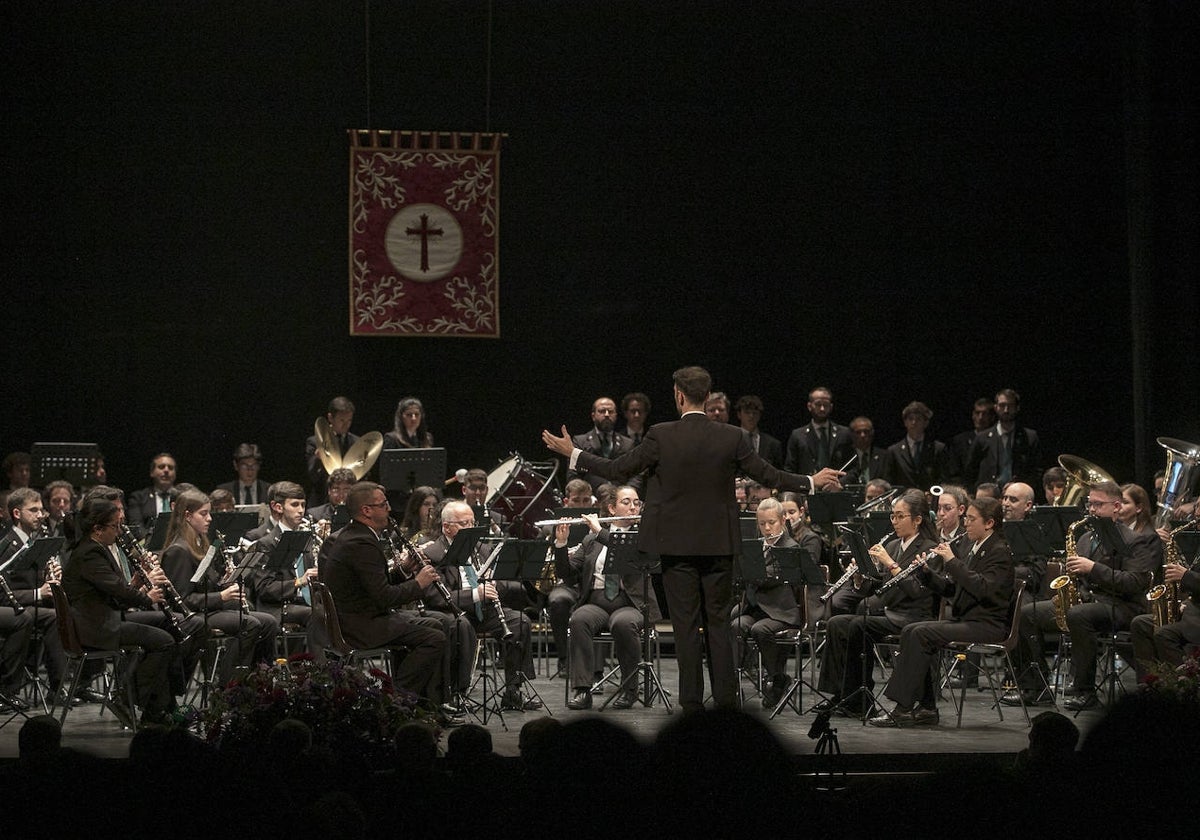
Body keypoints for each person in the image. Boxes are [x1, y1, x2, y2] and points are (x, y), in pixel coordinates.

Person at [543, 365, 842, 711]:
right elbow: (769, 474)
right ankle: (727, 704)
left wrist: (573, 453)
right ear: (708, 396)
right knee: (718, 623)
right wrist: (810, 482)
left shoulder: (660, 434)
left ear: (679, 395)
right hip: (719, 547)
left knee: (686, 628)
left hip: (677, 549)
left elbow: (616, 470)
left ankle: (691, 706)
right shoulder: (732, 436)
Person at [1003, 480, 1160, 710]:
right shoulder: (1086, 538)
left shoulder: (1140, 539)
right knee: (1027, 613)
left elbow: (1135, 582)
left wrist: (1092, 568)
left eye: (1098, 505)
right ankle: (1036, 687)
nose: (1092, 510)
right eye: (1090, 504)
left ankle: (1084, 691)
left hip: (1123, 606)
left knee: (1079, 615)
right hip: (1088, 601)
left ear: (1116, 507)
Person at [868, 496, 1015, 726]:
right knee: (912, 630)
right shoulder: (971, 546)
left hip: (988, 625)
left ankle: (903, 709)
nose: (965, 523)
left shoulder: (999, 551)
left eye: (971, 519)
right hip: (967, 620)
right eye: (966, 518)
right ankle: (927, 707)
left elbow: (984, 589)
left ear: (989, 523)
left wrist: (952, 562)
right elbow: (951, 589)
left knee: (920, 633)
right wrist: (926, 573)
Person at [319, 482, 448, 704]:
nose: (389, 508)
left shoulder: (356, 535)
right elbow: (385, 597)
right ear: (366, 511)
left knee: (436, 624)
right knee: (434, 638)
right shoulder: (361, 543)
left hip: (361, 617)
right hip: (360, 627)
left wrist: (403, 570)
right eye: (383, 504)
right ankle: (397, 699)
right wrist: (419, 583)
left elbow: (372, 585)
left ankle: (428, 702)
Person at [814, 489, 938, 716]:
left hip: (913, 616)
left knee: (859, 625)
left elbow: (915, 590)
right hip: (890, 612)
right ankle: (842, 694)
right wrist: (860, 577)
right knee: (837, 623)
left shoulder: (929, 548)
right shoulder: (893, 546)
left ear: (917, 519)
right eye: (893, 516)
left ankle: (861, 699)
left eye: (900, 516)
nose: (895, 521)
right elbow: (879, 588)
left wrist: (890, 563)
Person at [60, 497, 176, 725]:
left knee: (167, 625)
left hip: (101, 621)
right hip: (96, 629)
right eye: (115, 526)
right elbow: (116, 590)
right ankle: (126, 698)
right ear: (98, 529)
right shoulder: (89, 553)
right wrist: (146, 597)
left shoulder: (93, 548)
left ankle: (162, 705)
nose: (119, 531)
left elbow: (113, 590)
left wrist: (134, 584)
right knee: (164, 642)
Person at [419, 499, 540, 710]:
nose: (471, 528)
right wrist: (476, 594)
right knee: (461, 626)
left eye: (473, 523)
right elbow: (436, 598)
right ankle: (457, 693)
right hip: (453, 613)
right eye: (464, 524)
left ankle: (513, 691)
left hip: (483, 611)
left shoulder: (482, 549)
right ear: (447, 527)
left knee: (520, 622)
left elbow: (500, 582)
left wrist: (494, 585)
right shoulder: (433, 554)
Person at [159, 489, 279, 682]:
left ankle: (258, 681)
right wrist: (222, 596)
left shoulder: (200, 544)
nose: (209, 519)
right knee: (250, 624)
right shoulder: (178, 551)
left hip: (207, 610)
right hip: (192, 616)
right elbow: (182, 601)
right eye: (203, 514)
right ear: (188, 516)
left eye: (209, 513)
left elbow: (207, 586)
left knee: (269, 622)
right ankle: (228, 686)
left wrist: (225, 583)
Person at [558, 485, 660, 710]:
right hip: (597, 602)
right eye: (626, 502)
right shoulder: (591, 541)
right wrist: (561, 544)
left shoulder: (643, 536)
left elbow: (624, 554)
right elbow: (566, 574)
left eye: (636, 502)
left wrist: (600, 532)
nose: (633, 506)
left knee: (622, 623)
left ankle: (630, 689)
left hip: (631, 604)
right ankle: (583, 690)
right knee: (579, 619)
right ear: (612, 508)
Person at [731, 497, 817, 707]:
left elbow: (772, 576)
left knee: (760, 630)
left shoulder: (790, 548)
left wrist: (753, 572)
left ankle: (777, 678)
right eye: (762, 524)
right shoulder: (755, 546)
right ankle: (734, 684)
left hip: (781, 611)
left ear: (782, 520)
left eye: (772, 523)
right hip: (756, 608)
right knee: (735, 625)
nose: (767, 528)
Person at [0, 488, 66, 698]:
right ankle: (10, 690)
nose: (40, 515)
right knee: (46, 617)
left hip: (29, 606)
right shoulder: (8, 546)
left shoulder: (35, 544)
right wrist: (39, 592)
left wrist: (51, 579)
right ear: (17, 514)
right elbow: (3, 595)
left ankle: (62, 686)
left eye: (41, 510)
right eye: (33, 510)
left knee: (66, 610)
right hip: (13, 607)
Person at [1130, 522, 1200, 679]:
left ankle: (1185, 687)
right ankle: (1149, 685)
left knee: (1164, 633)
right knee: (1141, 624)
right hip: (1193, 610)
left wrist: (1186, 576)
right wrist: (1185, 602)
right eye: (1196, 518)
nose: (1195, 525)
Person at [966, 388, 1042, 490]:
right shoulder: (982, 438)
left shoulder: (1029, 437)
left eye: (1010, 406)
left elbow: (1037, 470)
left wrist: (1021, 487)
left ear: (1017, 407)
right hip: (988, 496)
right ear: (996, 407)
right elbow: (970, 471)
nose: (1006, 410)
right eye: (1002, 405)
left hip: (1018, 495)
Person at [567, 397, 638, 493]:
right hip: (589, 499)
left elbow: (636, 474)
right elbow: (573, 475)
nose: (607, 414)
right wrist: (585, 497)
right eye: (602, 411)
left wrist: (628, 494)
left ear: (616, 415)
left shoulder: (628, 444)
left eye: (610, 411)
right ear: (593, 416)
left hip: (620, 499)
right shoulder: (579, 441)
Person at [784, 386, 854, 474]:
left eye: (826, 405)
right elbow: (789, 469)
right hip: (807, 486)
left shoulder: (844, 433)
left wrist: (838, 484)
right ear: (809, 406)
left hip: (836, 485)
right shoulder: (798, 435)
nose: (822, 409)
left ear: (831, 406)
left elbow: (853, 468)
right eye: (818, 404)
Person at [305, 396, 359, 506]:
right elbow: (311, 476)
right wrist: (317, 459)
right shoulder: (315, 442)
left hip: (349, 501)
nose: (346, 425)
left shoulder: (356, 442)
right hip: (321, 500)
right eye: (342, 420)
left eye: (349, 420)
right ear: (330, 418)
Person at [884, 401, 951, 489]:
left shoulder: (938, 448)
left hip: (929, 499)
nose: (914, 422)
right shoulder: (894, 451)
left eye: (918, 419)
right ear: (905, 422)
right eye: (910, 419)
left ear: (926, 423)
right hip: (903, 499)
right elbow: (889, 482)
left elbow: (944, 480)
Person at [126, 453, 178, 537]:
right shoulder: (138, 498)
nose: (166, 470)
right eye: (161, 467)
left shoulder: (182, 497)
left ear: (175, 474)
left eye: (170, 468)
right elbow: (136, 527)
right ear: (152, 472)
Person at [949, 397, 996, 483]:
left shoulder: (997, 440)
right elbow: (954, 471)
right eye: (977, 413)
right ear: (973, 415)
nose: (980, 418)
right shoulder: (960, 440)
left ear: (992, 417)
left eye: (984, 414)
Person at [735, 395, 783, 468]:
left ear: (759, 415)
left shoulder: (773, 444)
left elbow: (778, 473)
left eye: (755, 413)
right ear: (739, 415)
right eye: (747, 412)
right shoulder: (731, 440)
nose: (751, 416)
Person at [846, 416, 889, 484]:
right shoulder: (844, 456)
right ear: (851, 434)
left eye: (866, 431)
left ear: (872, 433)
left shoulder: (884, 456)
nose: (862, 435)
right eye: (858, 432)